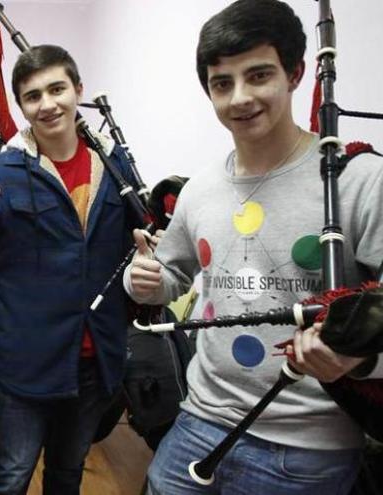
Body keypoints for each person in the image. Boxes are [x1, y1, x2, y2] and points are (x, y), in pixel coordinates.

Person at [125, 1, 383, 493]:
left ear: (295, 73)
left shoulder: (359, 180)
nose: (240, 97)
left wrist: (360, 358)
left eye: (258, 74)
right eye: (222, 83)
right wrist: (146, 279)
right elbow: (170, 277)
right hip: (196, 421)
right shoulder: (200, 189)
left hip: (307, 449)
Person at [0, 44, 136, 494]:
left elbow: (138, 243)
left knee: (68, 470)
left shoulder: (115, 167)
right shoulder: (0, 173)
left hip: (98, 359)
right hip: (28, 362)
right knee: (8, 475)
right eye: (33, 96)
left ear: (78, 91)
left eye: (57, 89)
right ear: (22, 108)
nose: (48, 103)